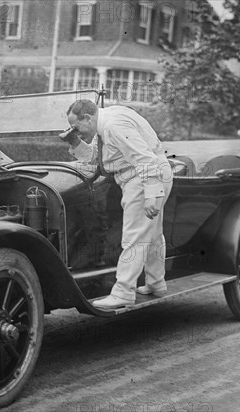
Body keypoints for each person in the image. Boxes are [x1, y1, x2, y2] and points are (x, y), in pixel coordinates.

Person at [59, 99, 173, 309]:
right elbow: (97, 158)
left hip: (141, 176)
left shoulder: (113, 125)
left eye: (76, 127)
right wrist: (75, 141)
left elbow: (144, 158)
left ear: (87, 117)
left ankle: (123, 293)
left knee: (133, 237)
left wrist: (151, 193)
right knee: (153, 234)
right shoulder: (104, 124)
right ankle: (156, 283)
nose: (76, 130)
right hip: (149, 174)